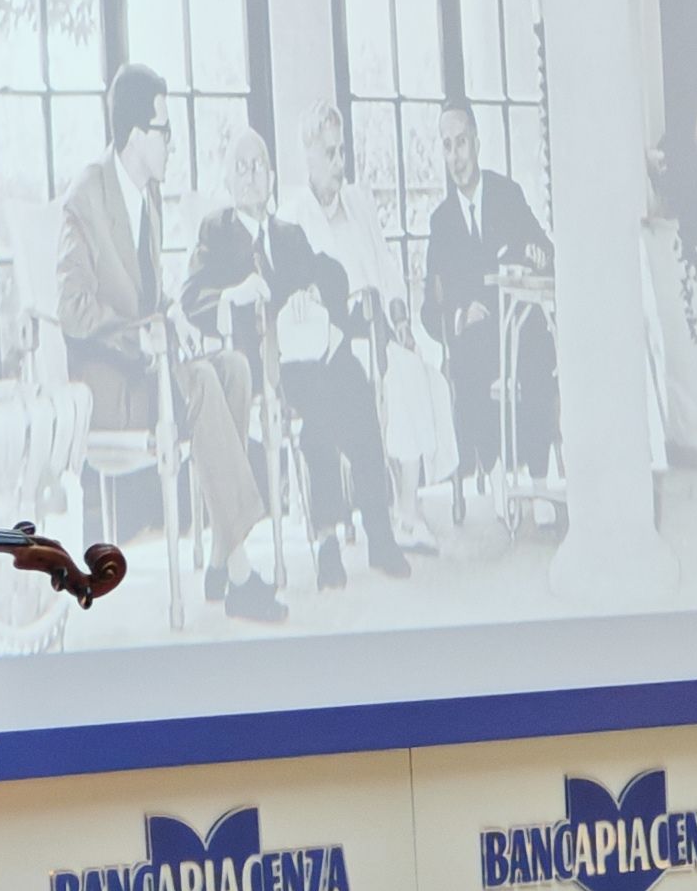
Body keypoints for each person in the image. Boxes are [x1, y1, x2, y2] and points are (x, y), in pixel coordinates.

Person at [56, 61, 284, 626]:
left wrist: (170, 321)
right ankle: (240, 570)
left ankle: (218, 552)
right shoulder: (87, 195)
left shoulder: (149, 199)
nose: (170, 143)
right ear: (136, 137)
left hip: (149, 365)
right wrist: (143, 335)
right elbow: (71, 308)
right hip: (108, 382)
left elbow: (150, 297)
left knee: (231, 367)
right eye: (164, 131)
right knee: (204, 380)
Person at [182, 123, 404, 588]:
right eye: (240, 168)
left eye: (258, 165)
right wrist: (235, 294)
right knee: (321, 404)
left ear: (271, 177)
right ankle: (326, 542)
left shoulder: (289, 233)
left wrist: (314, 292)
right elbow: (191, 298)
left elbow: (333, 275)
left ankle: (378, 532)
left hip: (312, 351)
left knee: (357, 388)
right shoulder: (216, 232)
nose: (250, 175)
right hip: (261, 362)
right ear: (227, 179)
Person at [291, 101, 452, 554]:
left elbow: (386, 264)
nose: (340, 164)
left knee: (414, 371)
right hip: (337, 344)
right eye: (330, 153)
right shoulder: (295, 215)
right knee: (384, 380)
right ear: (308, 156)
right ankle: (388, 510)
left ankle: (407, 509)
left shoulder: (358, 202)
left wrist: (400, 317)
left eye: (343, 151)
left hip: (378, 326)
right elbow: (300, 297)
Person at [422, 102, 559, 487]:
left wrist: (538, 256)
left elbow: (545, 252)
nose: (455, 156)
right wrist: (460, 317)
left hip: (518, 327)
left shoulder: (507, 195)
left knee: (535, 351)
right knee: (470, 363)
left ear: (477, 143)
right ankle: (498, 469)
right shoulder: (441, 223)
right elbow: (429, 310)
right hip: (475, 341)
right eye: (447, 146)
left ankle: (536, 475)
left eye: (461, 143)